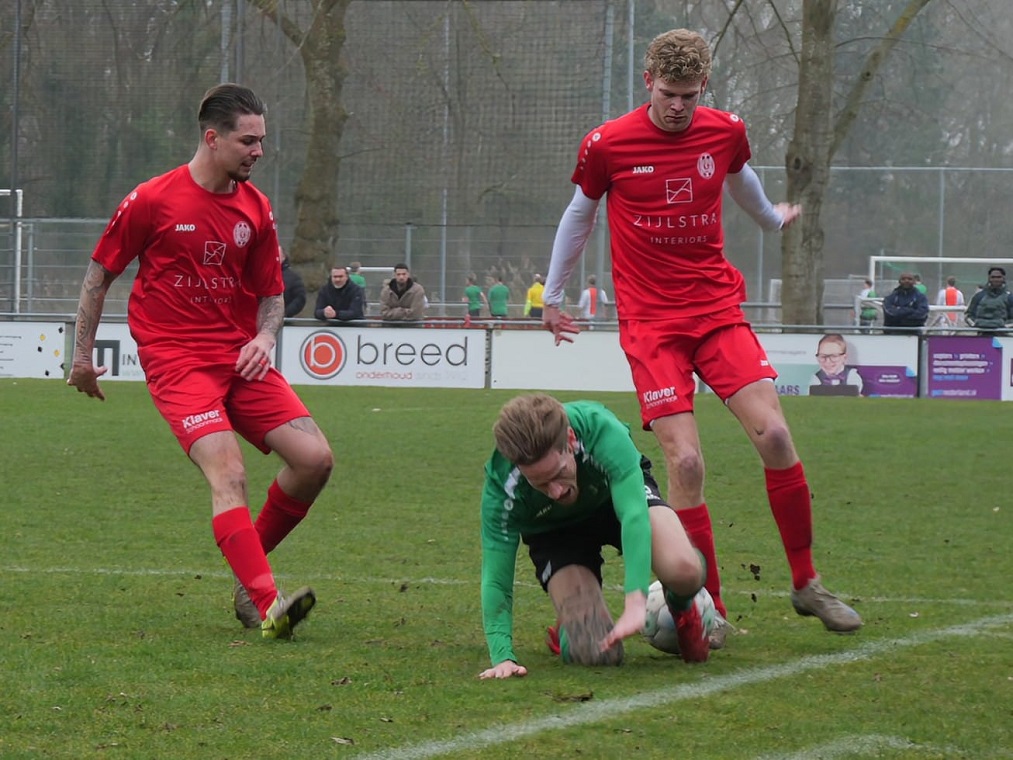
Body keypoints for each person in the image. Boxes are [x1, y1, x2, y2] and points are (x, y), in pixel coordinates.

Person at [541, 28, 861, 649]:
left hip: (717, 309)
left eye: (689, 94)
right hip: (653, 325)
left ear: (703, 88)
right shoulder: (608, 144)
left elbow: (741, 181)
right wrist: (552, 298)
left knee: (775, 434)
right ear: (648, 84)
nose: (679, 106)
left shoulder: (726, 130)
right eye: (669, 94)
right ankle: (704, 604)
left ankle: (805, 581)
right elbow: (578, 216)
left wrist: (771, 218)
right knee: (685, 462)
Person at [66, 83, 332, 639]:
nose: (259, 151)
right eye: (248, 140)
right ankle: (266, 604)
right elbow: (100, 274)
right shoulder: (152, 200)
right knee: (228, 472)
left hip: (239, 358)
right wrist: (82, 357)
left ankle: (246, 573)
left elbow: (272, 295)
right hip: (177, 362)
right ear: (212, 138)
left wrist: (264, 338)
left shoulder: (256, 208)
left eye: (263, 140)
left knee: (314, 460)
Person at [478, 394, 710, 680]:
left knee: (683, 569)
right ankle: (570, 624)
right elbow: (496, 576)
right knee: (595, 652)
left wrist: (636, 601)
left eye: (558, 473)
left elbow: (633, 516)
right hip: (556, 532)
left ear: (571, 440)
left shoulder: (600, 429)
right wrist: (503, 656)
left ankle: (683, 608)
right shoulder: (502, 487)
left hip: (616, 500)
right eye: (540, 483)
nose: (556, 491)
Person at [964, 266, 1013, 334]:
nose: (996, 279)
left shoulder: (1010, 297)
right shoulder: (979, 296)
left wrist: (1003, 326)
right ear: (989, 278)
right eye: (993, 277)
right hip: (982, 336)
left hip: (1003, 338)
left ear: (1003, 278)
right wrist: (976, 324)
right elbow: (968, 315)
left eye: (998, 277)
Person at [280, 247, 306, 318]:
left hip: (285, 321)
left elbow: (300, 298)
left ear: (283, 257)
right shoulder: (262, 275)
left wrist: (286, 312)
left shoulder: (293, 278)